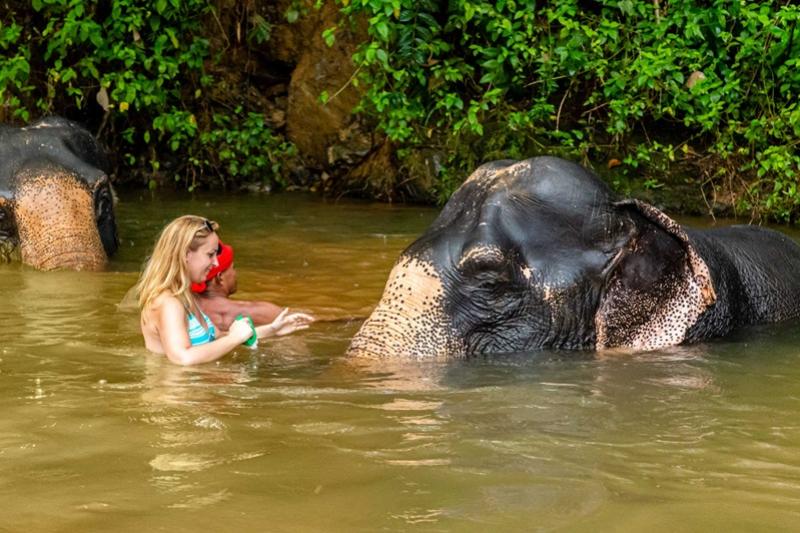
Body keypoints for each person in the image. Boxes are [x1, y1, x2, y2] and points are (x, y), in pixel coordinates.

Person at [136, 215, 313, 365]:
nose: (216, 263)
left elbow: (219, 338)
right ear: (185, 255)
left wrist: (272, 330)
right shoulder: (168, 303)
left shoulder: (184, 296)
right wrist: (233, 339)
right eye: (210, 254)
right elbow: (183, 357)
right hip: (176, 395)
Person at [190, 240, 305, 332]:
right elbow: (303, 322)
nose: (235, 273)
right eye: (233, 268)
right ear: (219, 277)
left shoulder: (188, 308)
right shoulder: (262, 312)